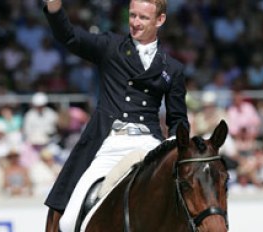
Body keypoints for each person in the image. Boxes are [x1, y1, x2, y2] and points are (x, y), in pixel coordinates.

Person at [43, 0, 189, 231]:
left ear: (159, 20)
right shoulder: (111, 46)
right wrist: (54, 6)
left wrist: (175, 144)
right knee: (68, 220)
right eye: (132, 16)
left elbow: (178, 119)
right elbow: (69, 37)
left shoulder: (173, 68)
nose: (135, 23)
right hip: (109, 142)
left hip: (148, 144)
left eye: (143, 17)